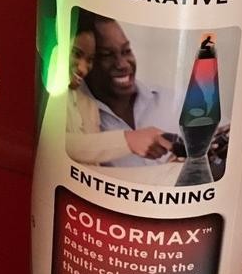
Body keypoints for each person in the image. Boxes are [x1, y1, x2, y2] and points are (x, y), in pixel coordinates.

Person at [66, 15, 175, 168]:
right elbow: (60, 143)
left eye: (126, 50)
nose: (122, 64)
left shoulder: (172, 100)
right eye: (106, 55)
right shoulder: (63, 98)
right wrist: (129, 140)